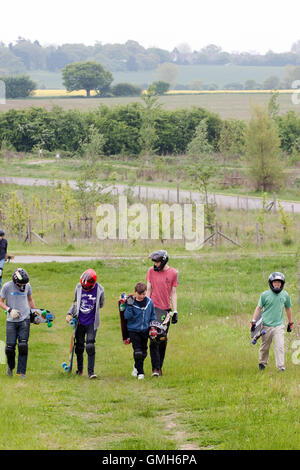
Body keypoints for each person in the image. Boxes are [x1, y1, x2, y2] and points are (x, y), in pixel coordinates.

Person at [66, 268, 105, 379]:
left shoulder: (100, 289)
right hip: (80, 322)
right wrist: (70, 313)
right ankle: (80, 369)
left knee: (90, 345)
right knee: (79, 346)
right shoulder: (78, 287)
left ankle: (91, 372)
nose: (84, 288)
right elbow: (75, 302)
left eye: (87, 287)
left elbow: (101, 304)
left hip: (92, 323)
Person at [250, 272, 293, 372]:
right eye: (275, 282)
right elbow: (258, 308)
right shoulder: (265, 295)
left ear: (282, 284)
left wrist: (290, 323)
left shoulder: (285, 295)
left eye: (279, 282)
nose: (277, 284)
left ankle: (280, 367)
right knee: (265, 347)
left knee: (280, 347)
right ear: (271, 283)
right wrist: (253, 322)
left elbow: (288, 308)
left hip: (278, 326)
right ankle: (262, 363)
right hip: (265, 326)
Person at [146, 250, 178, 377]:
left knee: (162, 339)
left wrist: (175, 311)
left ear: (164, 261)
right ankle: (155, 368)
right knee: (153, 338)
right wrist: (145, 307)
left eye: (158, 262)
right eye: (154, 262)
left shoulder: (173, 273)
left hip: (165, 311)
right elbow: (148, 289)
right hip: (153, 309)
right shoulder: (150, 271)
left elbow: (173, 293)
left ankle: (159, 366)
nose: (155, 264)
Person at [0, 267, 36, 377]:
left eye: (24, 284)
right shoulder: (7, 286)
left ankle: (21, 372)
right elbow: (1, 301)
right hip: (11, 321)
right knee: (9, 348)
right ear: (15, 281)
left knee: (23, 345)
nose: (22, 286)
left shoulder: (27, 286)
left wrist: (35, 313)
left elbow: (30, 300)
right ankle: (10, 367)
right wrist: (9, 310)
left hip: (24, 319)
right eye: (20, 284)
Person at [124, 282, 156, 380]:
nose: (142, 296)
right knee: (137, 351)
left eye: (144, 294)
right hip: (133, 330)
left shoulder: (149, 302)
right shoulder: (131, 302)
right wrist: (129, 306)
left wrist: (153, 327)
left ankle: (136, 366)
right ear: (135, 292)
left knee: (144, 352)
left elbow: (153, 315)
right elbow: (127, 316)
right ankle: (140, 373)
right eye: (140, 294)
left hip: (145, 330)